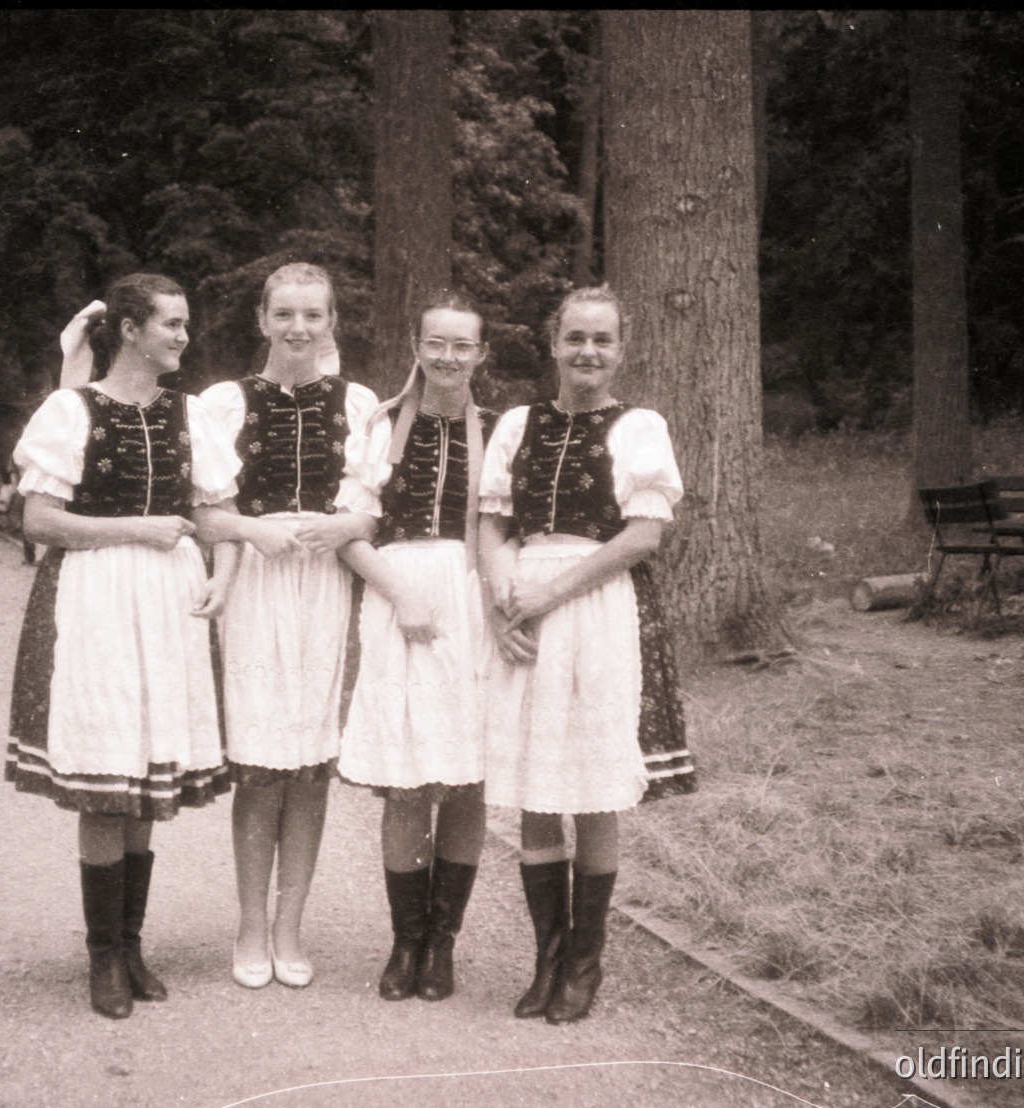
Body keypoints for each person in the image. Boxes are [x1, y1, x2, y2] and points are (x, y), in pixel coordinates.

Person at [8, 273, 244, 1020]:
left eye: (185, 325)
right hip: (96, 600)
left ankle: (132, 944)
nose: (183, 337)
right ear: (132, 330)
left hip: (169, 603)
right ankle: (102, 955)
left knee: (144, 770)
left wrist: (227, 575)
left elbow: (217, 515)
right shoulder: (70, 411)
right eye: (170, 324)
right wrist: (135, 530)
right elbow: (39, 522)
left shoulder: (191, 414)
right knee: (108, 772)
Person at [478, 285, 696, 1025]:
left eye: (602, 340)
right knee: (538, 792)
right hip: (525, 608)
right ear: (553, 343)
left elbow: (642, 537)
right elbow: (492, 524)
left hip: (598, 607)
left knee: (595, 789)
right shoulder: (517, 424)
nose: (588, 353)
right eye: (575, 338)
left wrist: (551, 593)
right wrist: (503, 599)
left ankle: (584, 963)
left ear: (621, 349)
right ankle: (546, 960)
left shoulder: (639, 426)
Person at [197, 263, 382, 990]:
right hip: (254, 582)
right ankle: (249, 925)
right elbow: (204, 510)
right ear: (262, 319)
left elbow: (370, 507)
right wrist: (254, 531)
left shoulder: (360, 403)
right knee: (261, 762)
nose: (299, 329)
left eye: (313, 315)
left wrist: (341, 527)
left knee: (308, 765)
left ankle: (289, 927)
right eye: (285, 315)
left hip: (326, 584)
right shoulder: (223, 403)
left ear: (332, 321)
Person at [336, 293, 495, 1002]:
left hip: (472, 602)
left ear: (481, 355)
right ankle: (404, 942)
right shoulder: (379, 429)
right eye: (437, 343)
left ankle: (442, 943)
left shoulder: (501, 431)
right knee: (405, 780)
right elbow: (351, 531)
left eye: (463, 346)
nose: (449, 357)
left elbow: (506, 534)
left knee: (464, 779)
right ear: (417, 345)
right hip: (396, 596)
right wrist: (399, 592)